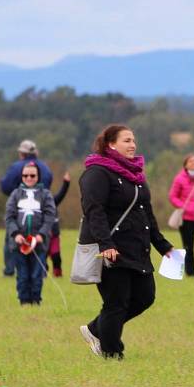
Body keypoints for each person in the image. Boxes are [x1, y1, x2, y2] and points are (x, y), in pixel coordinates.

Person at [77, 125, 173, 360]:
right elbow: (94, 211)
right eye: (126, 140)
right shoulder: (97, 173)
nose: (133, 145)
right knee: (116, 302)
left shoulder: (136, 175)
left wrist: (163, 246)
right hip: (111, 249)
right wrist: (106, 244)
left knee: (145, 296)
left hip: (137, 248)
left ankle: (95, 330)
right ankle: (112, 353)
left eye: (133, 140)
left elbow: (146, 213)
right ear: (110, 144)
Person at [4, 161, 56, 305]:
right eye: (25, 175)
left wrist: (41, 235)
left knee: (36, 275)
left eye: (32, 175)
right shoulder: (15, 194)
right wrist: (16, 234)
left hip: (38, 244)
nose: (29, 178)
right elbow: (9, 217)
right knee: (22, 275)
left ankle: (35, 300)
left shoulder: (45, 195)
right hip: (18, 244)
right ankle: (24, 301)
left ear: (38, 176)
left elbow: (50, 216)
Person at [0, 140, 54, 276]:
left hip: (20, 210)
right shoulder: (45, 168)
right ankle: (41, 268)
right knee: (41, 238)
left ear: (22, 153)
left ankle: (10, 269)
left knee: (11, 238)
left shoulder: (16, 167)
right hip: (41, 210)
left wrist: (17, 194)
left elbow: (5, 185)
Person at [48, 171, 71, 277]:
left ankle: (58, 273)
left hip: (54, 236)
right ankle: (42, 273)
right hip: (40, 236)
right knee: (40, 258)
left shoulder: (52, 201)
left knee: (56, 255)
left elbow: (61, 194)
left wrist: (66, 183)